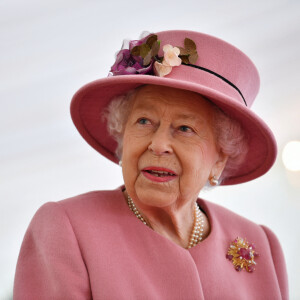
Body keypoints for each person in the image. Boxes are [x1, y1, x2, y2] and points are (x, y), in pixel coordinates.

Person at [13, 30, 288, 299]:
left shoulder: (261, 245)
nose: (158, 144)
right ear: (122, 136)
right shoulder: (67, 228)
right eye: (144, 121)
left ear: (219, 159)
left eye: (184, 128)